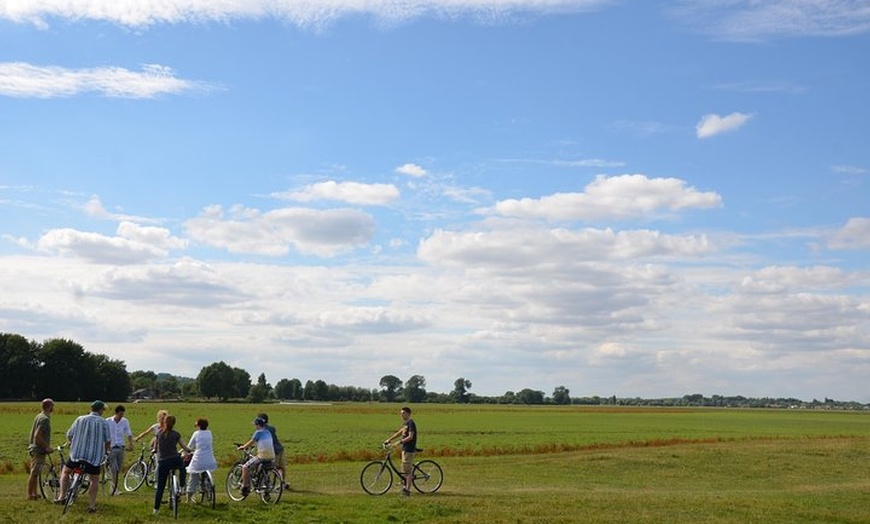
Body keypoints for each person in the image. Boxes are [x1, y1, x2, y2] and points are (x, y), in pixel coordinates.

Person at [58, 400, 111, 512]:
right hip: (93, 457)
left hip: (76, 454)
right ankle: (91, 505)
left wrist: (72, 443)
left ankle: (61, 496)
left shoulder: (80, 419)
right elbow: (107, 441)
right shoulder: (103, 422)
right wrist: (104, 452)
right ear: (100, 410)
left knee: (66, 472)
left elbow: (69, 434)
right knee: (94, 479)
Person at [152, 415, 191, 515]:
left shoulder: (158, 433)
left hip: (163, 462)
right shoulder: (176, 434)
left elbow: (155, 448)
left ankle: (156, 509)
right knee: (182, 468)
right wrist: (189, 451)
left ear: (164, 422)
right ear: (174, 424)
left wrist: (155, 450)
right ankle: (182, 486)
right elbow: (184, 447)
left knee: (160, 486)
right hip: (174, 459)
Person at [237, 417, 274, 496]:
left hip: (262, 456)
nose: (254, 426)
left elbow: (251, 442)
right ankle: (263, 484)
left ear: (258, 425)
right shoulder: (268, 432)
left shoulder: (258, 432)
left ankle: (245, 487)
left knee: (245, 467)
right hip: (271, 456)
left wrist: (243, 447)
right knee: (262, 468)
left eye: (255, 425)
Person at [384, 406, 417, 497]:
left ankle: (407, 490)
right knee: (404, 469)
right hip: (405, 449)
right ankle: (404, 486)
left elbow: (410, 436)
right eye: (401, 413)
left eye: (403, 413)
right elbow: (400, 432)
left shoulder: (411, 423)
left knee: (408, 471)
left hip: (409, 449)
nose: (401, 415)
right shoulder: (405, 423)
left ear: (408, 414)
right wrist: (389, 439)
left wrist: (399, 442)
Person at [26, 398, 55, 500]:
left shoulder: (39, 416)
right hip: (38, 450)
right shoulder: (45, 419)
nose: (53, 408)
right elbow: (37, 436)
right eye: (52, 406)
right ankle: (30, 494)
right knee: (34, 473)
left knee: (36, 472)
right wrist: (46, 447)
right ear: (49, 406)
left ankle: (34, 493)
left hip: (34, 448)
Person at [185, 417, 217, 502]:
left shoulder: (196, 434)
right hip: (210, 460)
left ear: (198, 425)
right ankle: (208, 487)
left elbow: (190, 447)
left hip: (198, 460)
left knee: (193, 477)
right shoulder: (209, 433)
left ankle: (188, 499)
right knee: (206, 473)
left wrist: (183, 452)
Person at [105, 405, 134, 495]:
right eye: (120, 414)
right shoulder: (108, 421)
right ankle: (114, 489)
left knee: (118, 469)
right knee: (114, 468)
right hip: (111, 448)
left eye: (122, 414)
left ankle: (113, 487)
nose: (121, 416)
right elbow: (105, 434)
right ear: (116, 413)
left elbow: (128, 433)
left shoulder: (125, 421)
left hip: (121, 447)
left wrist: (131, 443)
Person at [257, 412, 288, 489]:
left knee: (271, 468)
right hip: (280, 449)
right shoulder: (272, 428)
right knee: (282, 467)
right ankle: (283, 482)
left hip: (273, 450)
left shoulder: (262, 430)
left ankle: (268, 484)